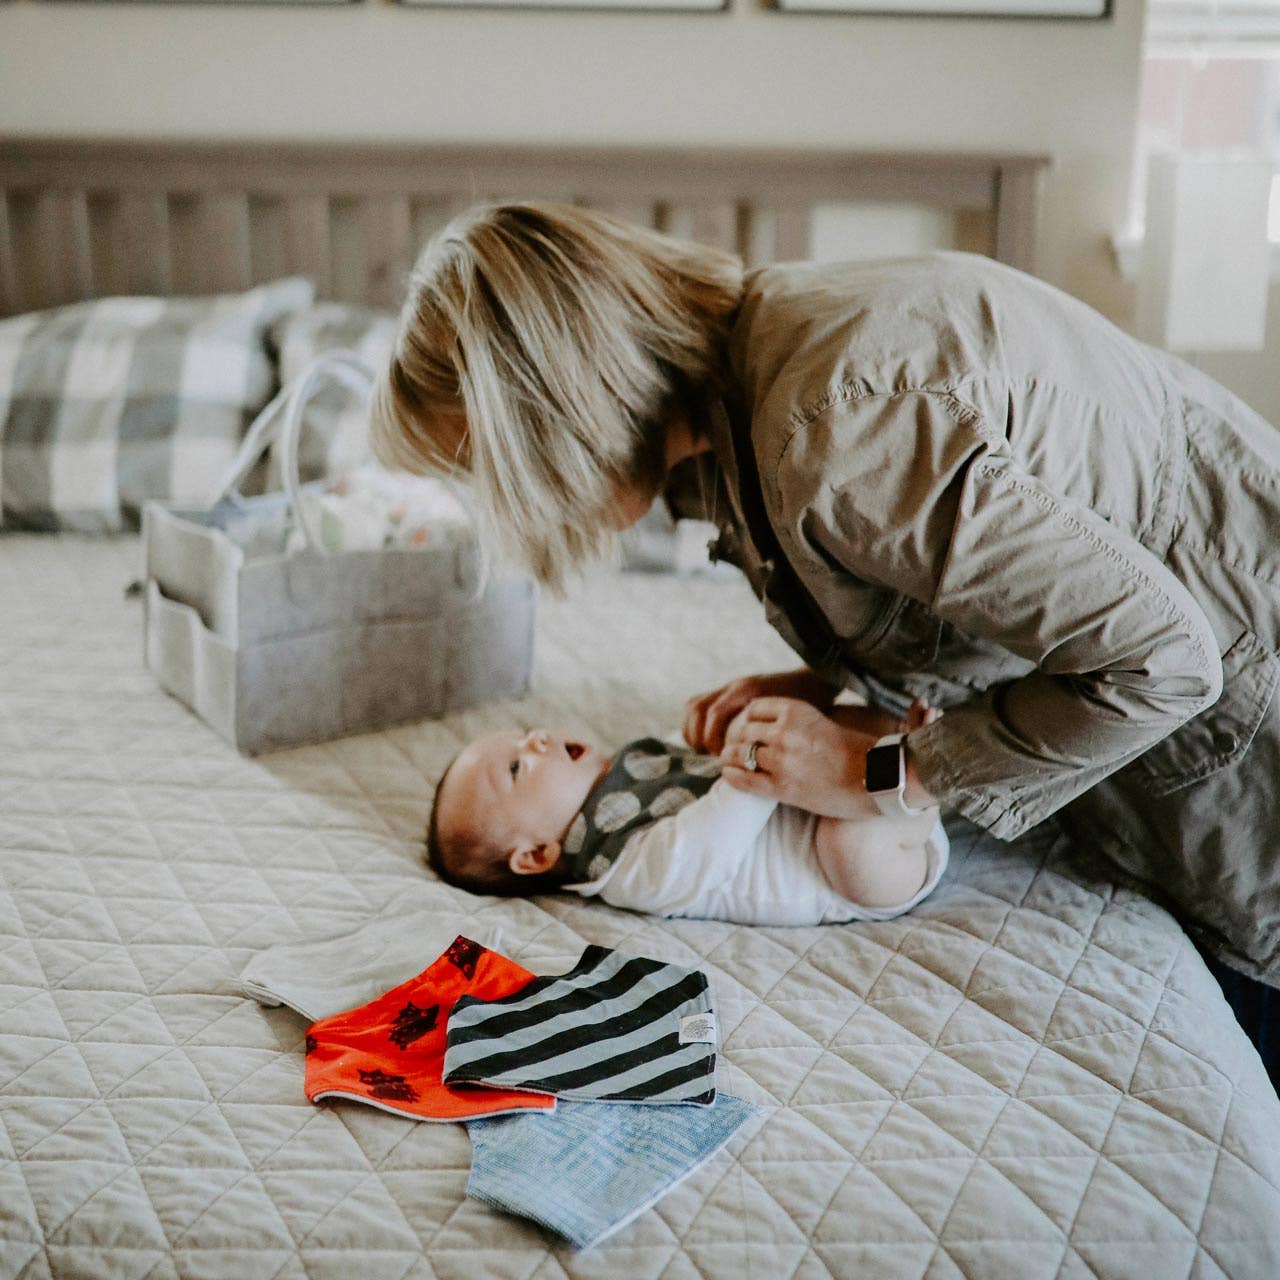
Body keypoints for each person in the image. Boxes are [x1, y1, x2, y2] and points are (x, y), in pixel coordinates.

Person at [370, 201, 1280, 1083]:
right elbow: (945, 579)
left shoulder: (840, 431)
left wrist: (886, 770)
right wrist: (828, 676)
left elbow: (1161, 663)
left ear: (558, 416)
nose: (509, 508)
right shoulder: (743, 385)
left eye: (484, 468)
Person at [426, 702, 949, 927]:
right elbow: (713, 836)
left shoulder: (625, 769)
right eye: (517, 766)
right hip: (858, 875)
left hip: (825, 790)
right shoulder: (622, 870)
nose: (537, 739)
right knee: (847, 844)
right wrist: (761, 756)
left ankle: (902, 747)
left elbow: (687, 762)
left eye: (523, 735)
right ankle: (920, 788)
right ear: (537, 854)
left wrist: (718, 729)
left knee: (809, 721)